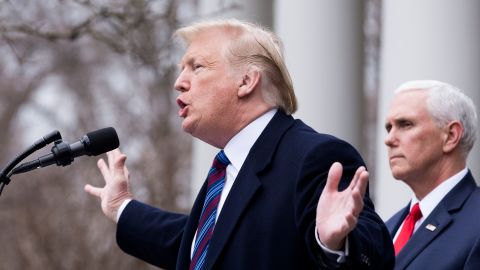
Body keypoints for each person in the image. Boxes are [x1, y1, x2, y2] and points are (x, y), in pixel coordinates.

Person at [85, 19, 394, 269]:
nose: (180, 81)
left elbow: (375, 252)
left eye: (197, 66)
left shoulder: (316, 156)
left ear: (247, 81)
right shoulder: (228, 168)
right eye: (182, 69)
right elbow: (202, 247)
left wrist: (336, 244)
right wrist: (120, 207)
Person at [384, 80, 480, 269]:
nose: (389, 139)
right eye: (389, 128)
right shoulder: (387, 228)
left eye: (405, 124)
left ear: (451, 136)